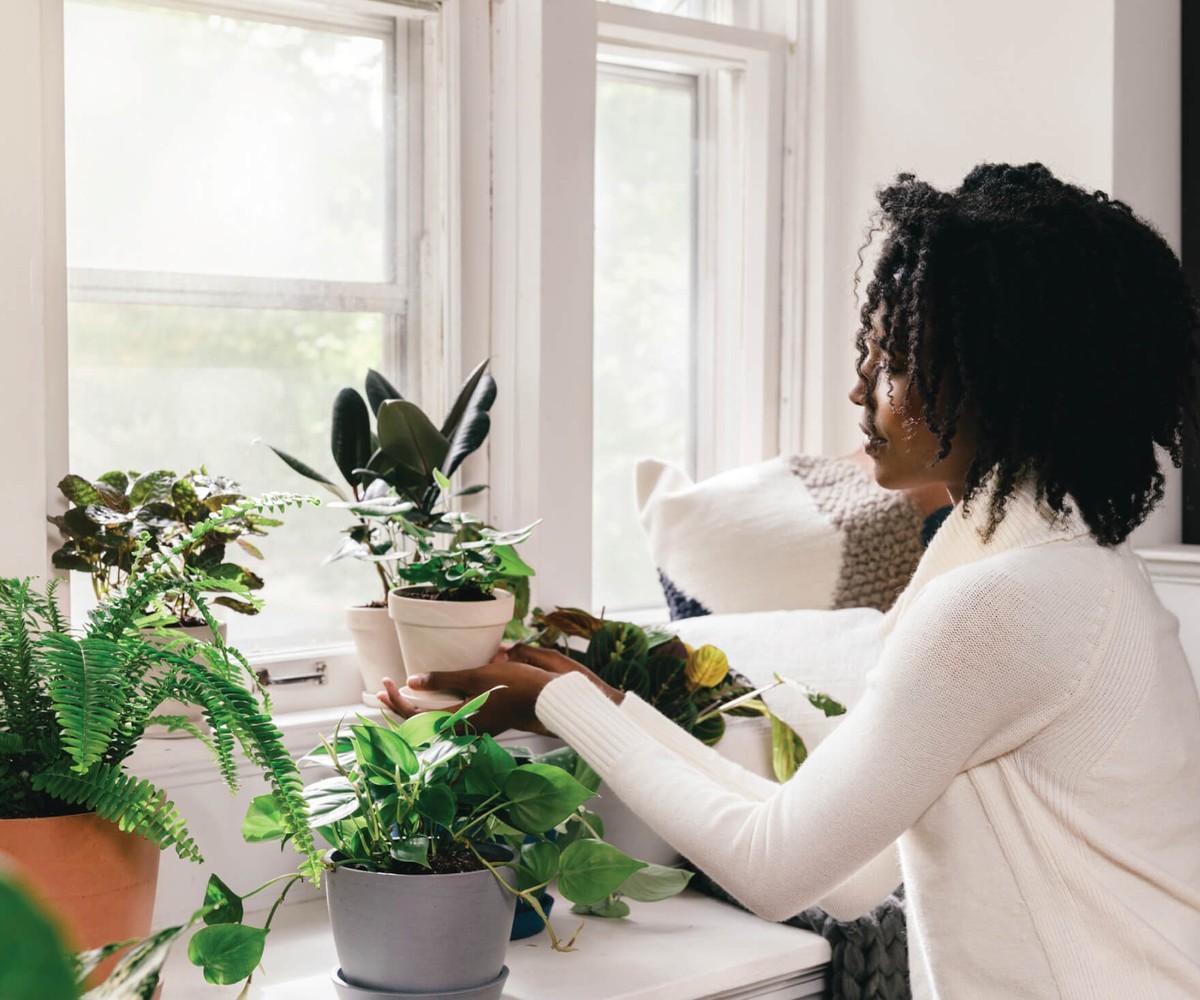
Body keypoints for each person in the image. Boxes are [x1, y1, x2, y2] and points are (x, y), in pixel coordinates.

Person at [381, 163, 1200, 998]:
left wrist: (560, 706)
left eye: (891, 362)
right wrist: (598, 698)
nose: (860, 387)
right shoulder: (1048, 565)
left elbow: (774, 869)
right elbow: (848, 874)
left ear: (994, 377)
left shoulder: (1001, 603)